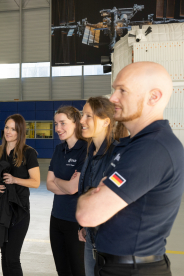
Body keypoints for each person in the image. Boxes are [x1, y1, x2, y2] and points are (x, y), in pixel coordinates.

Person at [76, 62, 184, 276]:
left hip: (133, 269)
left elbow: (88, 214)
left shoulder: (153, 148)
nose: (113, 98)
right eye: (114, 89)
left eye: (122, 91)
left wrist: (91, 194)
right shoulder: (134, 144)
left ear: (154, 96)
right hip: (116, 265)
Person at [74, 97, 127, 276]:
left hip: (111, 240)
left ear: (105, 122)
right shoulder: (91, 152)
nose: (82, 120)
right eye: (83, 115)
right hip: (92, 236)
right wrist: (85, 226)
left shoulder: (118, 154)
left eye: (88, 116)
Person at [0, 114, 40, 276]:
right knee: (4, 255)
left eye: (13, 129)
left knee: (12, 257)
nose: (8, 132)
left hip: (19, 211)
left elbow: (36, 182)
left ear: (20, 132)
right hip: (1, 210)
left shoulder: (28, 153)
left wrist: (15, 179)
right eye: (7, 128)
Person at [46, 106, 87, 276]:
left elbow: (72, 189)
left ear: (76, 123)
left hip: (75, 221)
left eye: (63, 123)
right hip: (56, 218)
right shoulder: (58, 149)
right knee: (62, 270)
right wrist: (62, 183)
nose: (58, 128)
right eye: (56, 124)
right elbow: (48, 184)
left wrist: (57, 180)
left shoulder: (85, 150)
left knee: (78, 270)